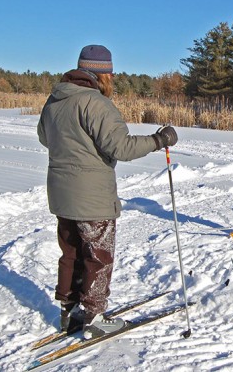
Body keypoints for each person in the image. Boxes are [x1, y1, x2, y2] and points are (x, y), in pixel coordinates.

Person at [37, 44, 178, 339]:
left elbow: (44, 137)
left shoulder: (55, 99)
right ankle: (93, 316)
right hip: (92, 197)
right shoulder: (96, 104)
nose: (112, 78)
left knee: (71, 252)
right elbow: (121, 147)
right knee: (98, 255)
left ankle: (69, 313)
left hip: (62, 195)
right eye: (111, 73)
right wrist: (159, 139)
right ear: (102, 74)